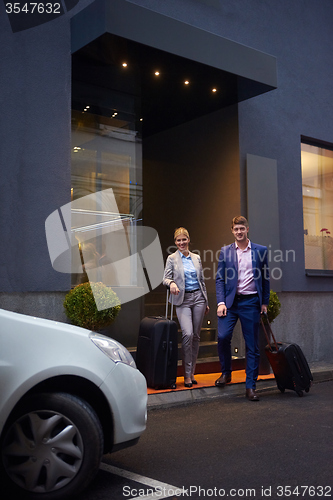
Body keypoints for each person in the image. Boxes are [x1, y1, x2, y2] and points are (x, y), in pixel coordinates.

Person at [215, 216, 270, 401]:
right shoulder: (225, 252)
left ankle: (250, 387)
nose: (239, 232)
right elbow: (220, 279)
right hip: (230, 304)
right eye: (236, 229)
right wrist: (221, 302)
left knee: (252, 345)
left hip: (250, 303)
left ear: (247, 229)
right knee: (222, 337)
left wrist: (264, 303)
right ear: (232, 231)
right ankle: (226, 372)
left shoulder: (260, 251)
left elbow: (265, 279)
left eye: (242, 228)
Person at [163, 227, 209, 387]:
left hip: (198, 298)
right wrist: (172, 284)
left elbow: (202, 281)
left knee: (196, 336)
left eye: (184, 239)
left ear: (188, 240)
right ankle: (186, 374)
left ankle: (191, 373)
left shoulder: (196, 258)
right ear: (175, 242)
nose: (181, 242)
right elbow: (165, 278)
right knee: (187, 335)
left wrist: (206, 302)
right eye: (178, 240)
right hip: (183, 299)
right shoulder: (172, 258)